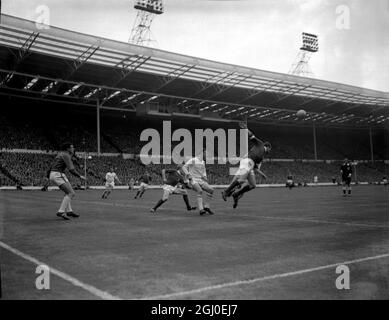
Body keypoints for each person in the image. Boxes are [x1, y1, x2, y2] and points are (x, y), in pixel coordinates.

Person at [222, 122, 271, 209]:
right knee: (240, 180)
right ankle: (226, 192)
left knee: (253, 185)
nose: (269, 151)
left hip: (250, 166)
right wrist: (245, 128)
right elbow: (251, 136)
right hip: (247, 161)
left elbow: (256, 168)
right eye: (270, 149)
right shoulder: (260, 144)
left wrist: (262, 174)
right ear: (268, 147)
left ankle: (236, 194)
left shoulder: (261, 157)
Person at [49, 143, 86, 220]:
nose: (73, 148)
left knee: (68, 193)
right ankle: (61, 211)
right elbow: (71, 169)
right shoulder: (66, 155)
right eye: (72, 147)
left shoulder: (61, 154)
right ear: (67, 149)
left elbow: (53, 165)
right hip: (58, 174)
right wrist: (80, 176)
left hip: (55, 173)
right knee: (71, 193)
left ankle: (69, 211)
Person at [182, 149, 215, 215]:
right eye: (206, 153)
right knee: (199, 191)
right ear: (202, 153)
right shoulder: (193, 160)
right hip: (193, 180)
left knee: (211, 190)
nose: (207, 155)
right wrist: (188, 175)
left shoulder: (203, 162)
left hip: (200, 180)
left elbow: (204, 171)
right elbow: (184, 167)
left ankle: (206, 207)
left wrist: (205, 177)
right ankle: (201, 210)